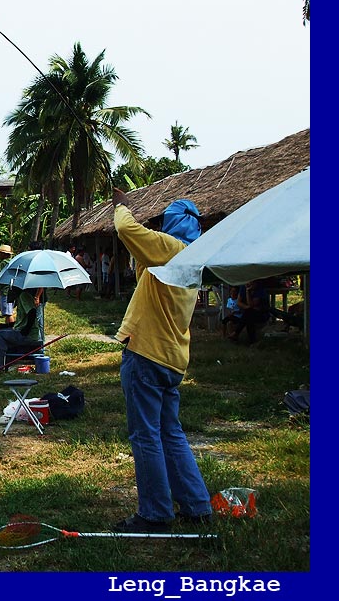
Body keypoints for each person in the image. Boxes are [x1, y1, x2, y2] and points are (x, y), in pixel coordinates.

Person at [111, 187, 213, 532]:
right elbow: (143, 268)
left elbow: (126, 230)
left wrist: (123, 207)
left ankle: (155, 513)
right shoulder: (190, 259)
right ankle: (197, 505)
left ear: (171, 226)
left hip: (147, 355)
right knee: (171, 432)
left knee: (145, 435)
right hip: (171, 358)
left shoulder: (171, 249)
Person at [229, 280, 270, 344]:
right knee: (248, 315)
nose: (249, 284)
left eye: (252, 282)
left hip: (262, 314)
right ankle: (251, 341)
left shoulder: (260, 290)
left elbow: (251, 304)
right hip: (249, 312)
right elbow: (239, 303)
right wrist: (248, 308)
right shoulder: (243, 287)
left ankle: (236, 333)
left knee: (248, 315)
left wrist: (247, 291)